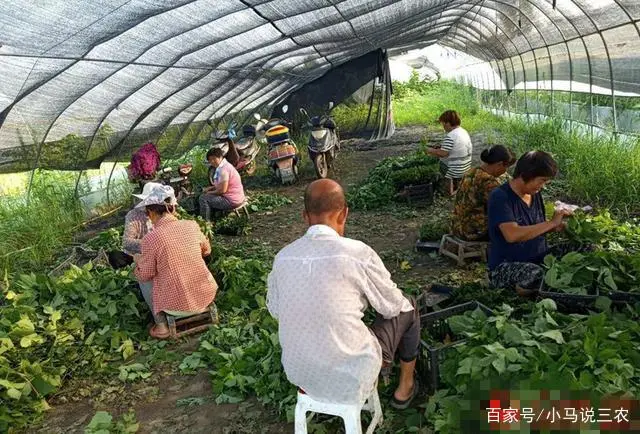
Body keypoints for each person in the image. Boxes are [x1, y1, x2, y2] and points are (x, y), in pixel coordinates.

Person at [267, 179, 420, 409]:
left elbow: (277, 311)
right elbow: (391, 306)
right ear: (344, 214)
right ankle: (404, 388)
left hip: (301, 373)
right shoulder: (357, 253)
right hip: (353, 374)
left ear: (305, 216)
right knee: (408, 304)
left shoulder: (283, 257)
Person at [134, 186, 217, 339]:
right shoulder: (191, 225)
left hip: (175, 307)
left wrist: (138, 261)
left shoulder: (150, 239)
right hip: (205, 296)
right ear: (172, 208)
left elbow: (145, 274)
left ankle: (161, 326)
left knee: (142, 278)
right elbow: (207, 251)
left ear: (150, 212)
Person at [487, 151, 571, 292]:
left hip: (539, 258)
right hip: (507, 266)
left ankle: (541, 286)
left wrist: (556, 226)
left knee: (585, 248)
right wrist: (550, 223)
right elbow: (512, 234)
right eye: (542, 180)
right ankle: (526, 294)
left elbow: (534, 226)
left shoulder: (534, 193)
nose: (543, 186)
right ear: (526, 175)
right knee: (534, 274)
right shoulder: (500, 197)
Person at [450, 145, 516, 241]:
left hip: (456, 224)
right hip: (471, 230)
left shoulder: (472, 171)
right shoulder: (487, 181)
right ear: (499, 164)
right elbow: (503, 205)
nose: (505, 171)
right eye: (506, 167)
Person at [426, 110, 473, 196]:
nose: (443, 127)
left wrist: (430, 150)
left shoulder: (451, 136)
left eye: (443, 124)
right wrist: (440, 147)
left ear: (447, 123)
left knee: (440, 163)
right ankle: (458, 183)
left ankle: (450, 189)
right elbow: (455, 147)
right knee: (444, 157)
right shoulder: (463, 131)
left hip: (457, 169)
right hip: (466, 166)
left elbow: (443, 154)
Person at [199, 148, 246, 220]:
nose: (212, 161)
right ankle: (216, 217)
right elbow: (221, 184)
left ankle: (205, 223)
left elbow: (222, 190)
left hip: (232, 201)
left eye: (214, 159)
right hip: (238, 197)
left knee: (203, 198)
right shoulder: (226, 165)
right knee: (208, 195)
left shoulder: (223, 170)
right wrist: (210, 188)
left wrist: (209, 192)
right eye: (210, 160)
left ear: (220, 157)